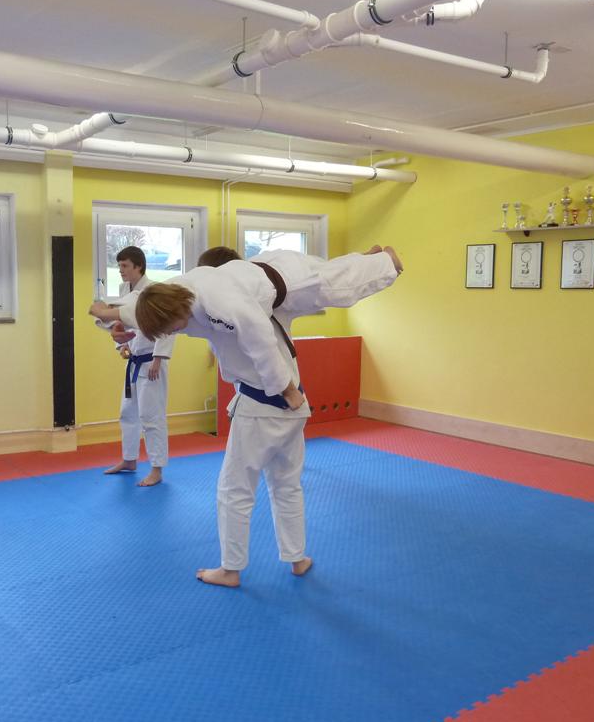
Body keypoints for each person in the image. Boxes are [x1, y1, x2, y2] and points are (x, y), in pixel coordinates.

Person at [90, 245, 402, 587]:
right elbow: (143, 306)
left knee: (233, 490)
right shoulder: (188, 295)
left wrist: (286, 389)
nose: (173, 333)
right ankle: (297, 558)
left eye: (171, 328)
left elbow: (260, 341)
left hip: (263, 407)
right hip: (293, 411)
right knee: (286, 485)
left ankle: (231, 568)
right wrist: (113, 318)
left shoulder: (226, 306)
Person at [102, 246, 174, 487]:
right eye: (119, 265)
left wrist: (159, 358)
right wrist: (122, 345)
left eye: (124, 266)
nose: (120, 270)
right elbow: (121, 323)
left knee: (151, 416)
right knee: (128, 413)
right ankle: (129, 459)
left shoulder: (154, 290)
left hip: (152, 362)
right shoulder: (125, 290)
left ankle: (157, 468)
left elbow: (168, 325)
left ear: (138, 266)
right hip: (134, 360)